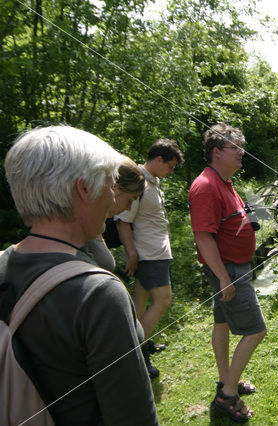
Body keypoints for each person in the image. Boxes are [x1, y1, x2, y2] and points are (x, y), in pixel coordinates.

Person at [0, 125, 157, 424]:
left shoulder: (3, 265)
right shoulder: (97, 293)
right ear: (84, 189)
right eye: (110, 186)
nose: (113, 199)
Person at [188, 122, 266, 422]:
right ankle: (228, 395)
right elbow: (203, 237)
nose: (242, 152)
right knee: (256, 330)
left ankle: (226, 378)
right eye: (235, 147)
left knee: (221, 324)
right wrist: (223, 277)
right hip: (228, 271)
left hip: (233, 267)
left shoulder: (224, 181)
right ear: (217, 151)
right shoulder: (206, 186)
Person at [115, 138, 184, 378]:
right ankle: (134, 353)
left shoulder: (151, 182)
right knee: (163, 300)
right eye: (170, 166)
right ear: (158, 159)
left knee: (140, 301)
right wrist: (132, 254)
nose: (171, 171)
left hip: (155, 253)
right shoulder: (139, 182)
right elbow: (123, 220)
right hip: (149, 254)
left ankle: (144, 344)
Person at [86, 158, 146, 273]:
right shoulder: (77, 223)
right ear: (115, 188)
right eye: (130, 200)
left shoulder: (97, 225)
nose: (129, 208)